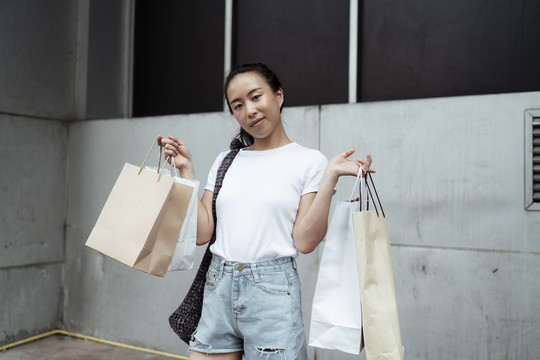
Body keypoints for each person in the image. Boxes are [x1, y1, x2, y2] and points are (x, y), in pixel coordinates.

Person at [159, 63, 373, 360]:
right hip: (218, 287)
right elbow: (202, 232)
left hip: (272, 295)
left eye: (256, 97)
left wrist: (329, 179)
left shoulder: (309, 161)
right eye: (238, 105)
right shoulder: (226, 160)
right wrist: (186, 172)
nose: (249, 110)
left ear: (278, 95)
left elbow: (305, 242)